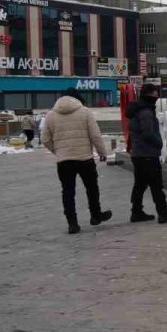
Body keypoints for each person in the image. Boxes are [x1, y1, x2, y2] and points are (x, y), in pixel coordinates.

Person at [41, 88, 112, 234]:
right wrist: (102, 153)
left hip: (64, 161)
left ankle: (72, 224)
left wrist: (58, 151)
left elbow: (45, 139)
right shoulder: (85, 112)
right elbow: (95, 135)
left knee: (68, 191)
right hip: (85, 159)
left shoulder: (51, 115)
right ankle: (96, 215)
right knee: (92, 188)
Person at [126, 83, 167, 224]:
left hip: (138, 154)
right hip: (147, 154)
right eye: (155, 93)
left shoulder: (137, 110)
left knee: (140, 184)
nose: (157, 96)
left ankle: (136, 212)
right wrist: (159, 143)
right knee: (156, 184)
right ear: (150, 95)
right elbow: (148, 134)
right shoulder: (145, 112)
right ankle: (163, 212)